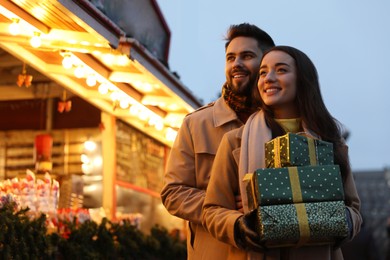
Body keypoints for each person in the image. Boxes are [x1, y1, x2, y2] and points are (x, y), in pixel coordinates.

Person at [202, 45, 362, 259]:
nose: (268, 78)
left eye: (281, 70)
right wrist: (239, 226)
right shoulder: (235, 142)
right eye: (263, 72)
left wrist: (339, 219)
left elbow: (354, 209)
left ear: (302, 79)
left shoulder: (330, 139)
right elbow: (212, 210)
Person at [160, 23, 275, 259]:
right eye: (230, 57)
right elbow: (173, 193)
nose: (237, 64)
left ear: (267, 64)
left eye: (247, 56)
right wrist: (225, 207)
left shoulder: (283, 124)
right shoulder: (195, 124)